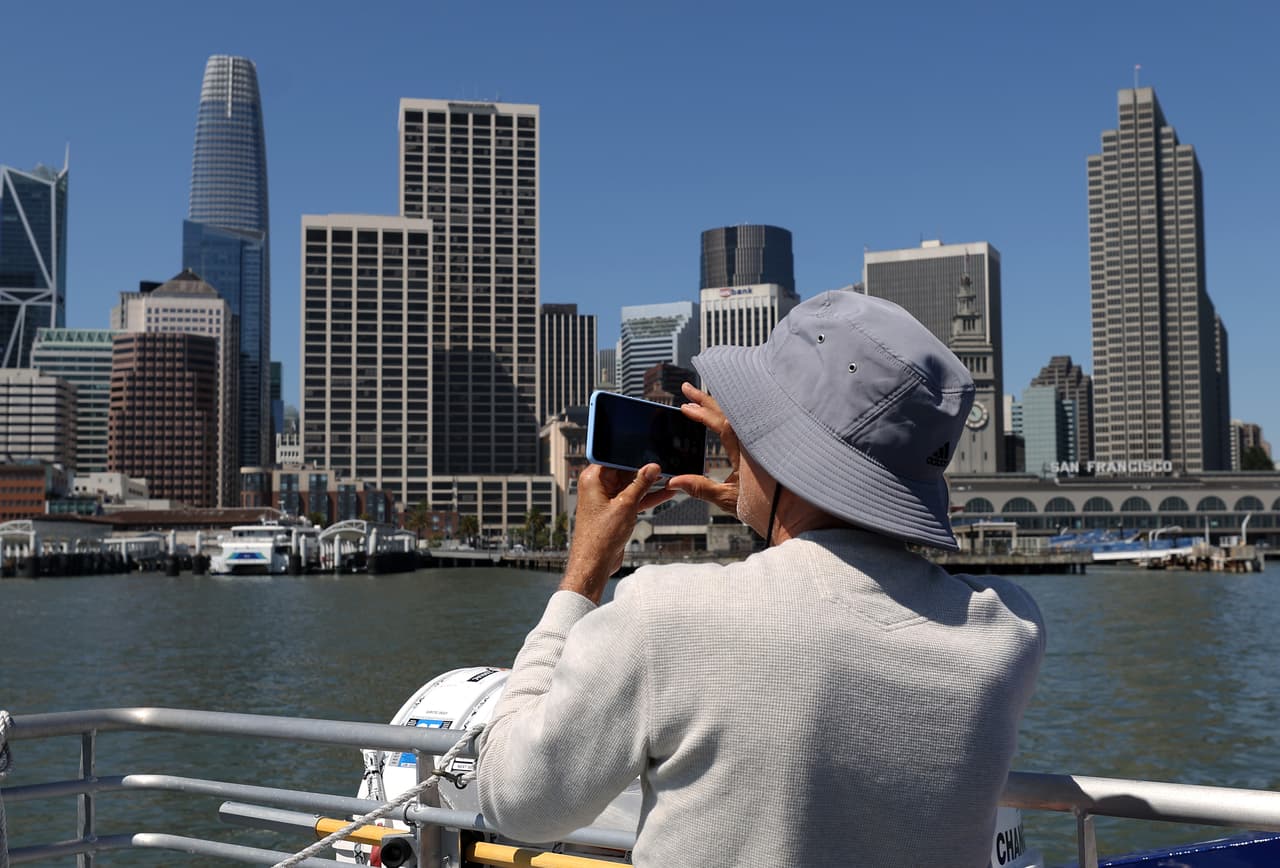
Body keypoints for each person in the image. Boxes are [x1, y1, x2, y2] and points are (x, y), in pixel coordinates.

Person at [476, 290, 1045, 866]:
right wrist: (774, 498)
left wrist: (581, 578)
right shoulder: (1008, 630)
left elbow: (518, 801)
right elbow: (839, 598)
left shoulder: (666, 614)